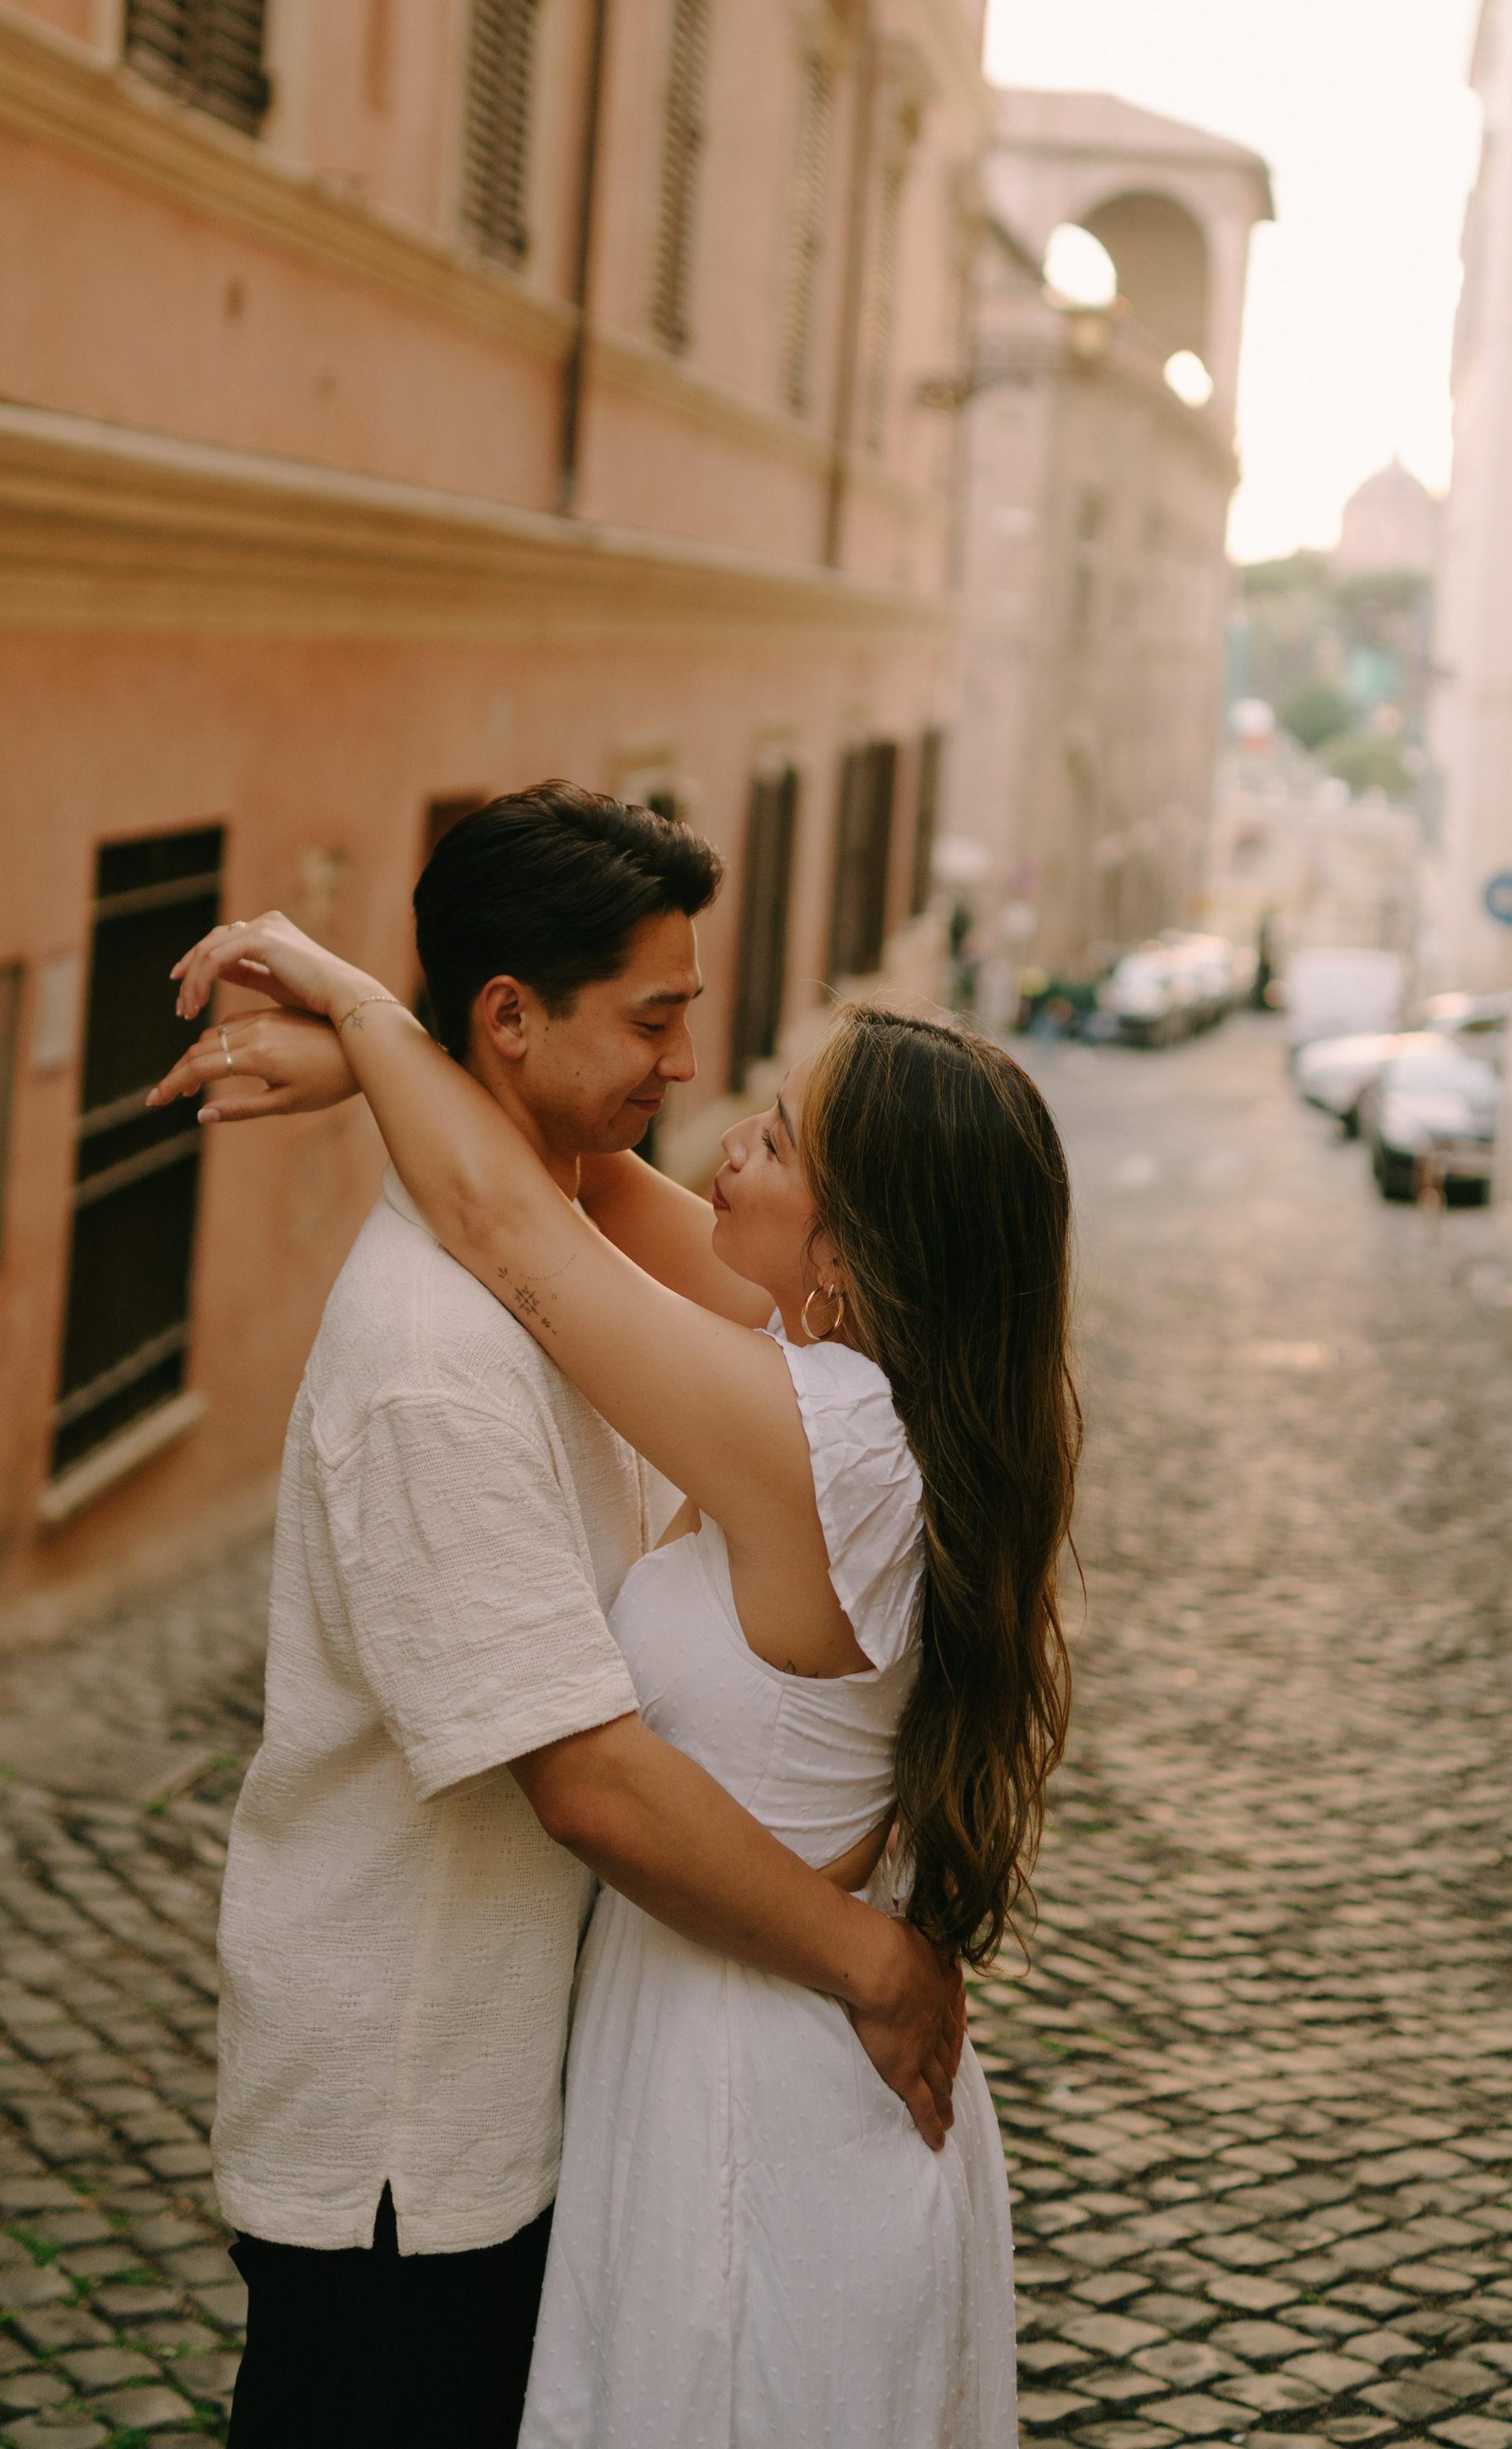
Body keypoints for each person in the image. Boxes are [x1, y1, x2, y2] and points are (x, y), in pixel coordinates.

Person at [163, 888, 1080, 2448]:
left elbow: (517, 1226)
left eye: (779, 1141)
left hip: (758, 2085)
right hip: (734, 2036)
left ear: (855, 1248)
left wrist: (348, 997)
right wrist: (378, 1060)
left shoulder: (826, 1445)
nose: (724, 1135)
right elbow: (571, 1171)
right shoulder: (856, 1377)